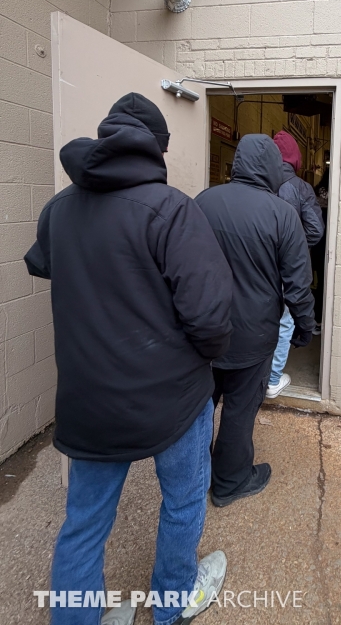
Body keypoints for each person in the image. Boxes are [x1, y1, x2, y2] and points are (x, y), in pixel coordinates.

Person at [24, 93, 233, 625]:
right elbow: (210, 318)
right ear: (156, 149)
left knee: (84, 525)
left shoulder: (59, 209)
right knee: (183, 502)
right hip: (172, 399)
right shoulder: (172, 210)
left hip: (88, 400)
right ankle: (171, 605)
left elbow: (43, 264)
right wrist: (207, 361)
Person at [195, 134, 315, 508]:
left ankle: (193, 480)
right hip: (254, 336)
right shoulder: (283, 214)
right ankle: (230, 482)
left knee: (198, 409)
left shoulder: (203, 202)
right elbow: (298, 284)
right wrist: (304, 327)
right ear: (272, 168)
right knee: (239, 410)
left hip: (202, 331)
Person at [266, 130, 324, 398]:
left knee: (260, 317)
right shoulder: (301, 188)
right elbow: (315, 230)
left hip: (259, 265)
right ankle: (272, 379)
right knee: (285, 321)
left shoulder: (258, 184)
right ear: (296, 158)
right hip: (287, 267)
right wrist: (295, 250)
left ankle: (256, 374)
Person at [311, 167, 330, 335]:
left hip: (315, 246)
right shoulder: (336, 196)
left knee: (315, 284)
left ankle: (314, 320)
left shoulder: (315, 193)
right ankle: (319, 320)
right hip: (327, 248)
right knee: (324, 285)